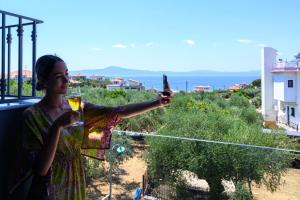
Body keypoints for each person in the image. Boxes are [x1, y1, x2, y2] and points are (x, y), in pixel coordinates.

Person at [18, 55, 172, 199]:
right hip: (50, 187)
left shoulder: (77, 107)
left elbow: (117, 111)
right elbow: (41, 169)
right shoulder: (32, 116)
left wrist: (157, 103)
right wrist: (57, 126)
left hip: (76, 179)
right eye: (58, 77)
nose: (66, 80)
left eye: (66, 73)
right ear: (44, 81)